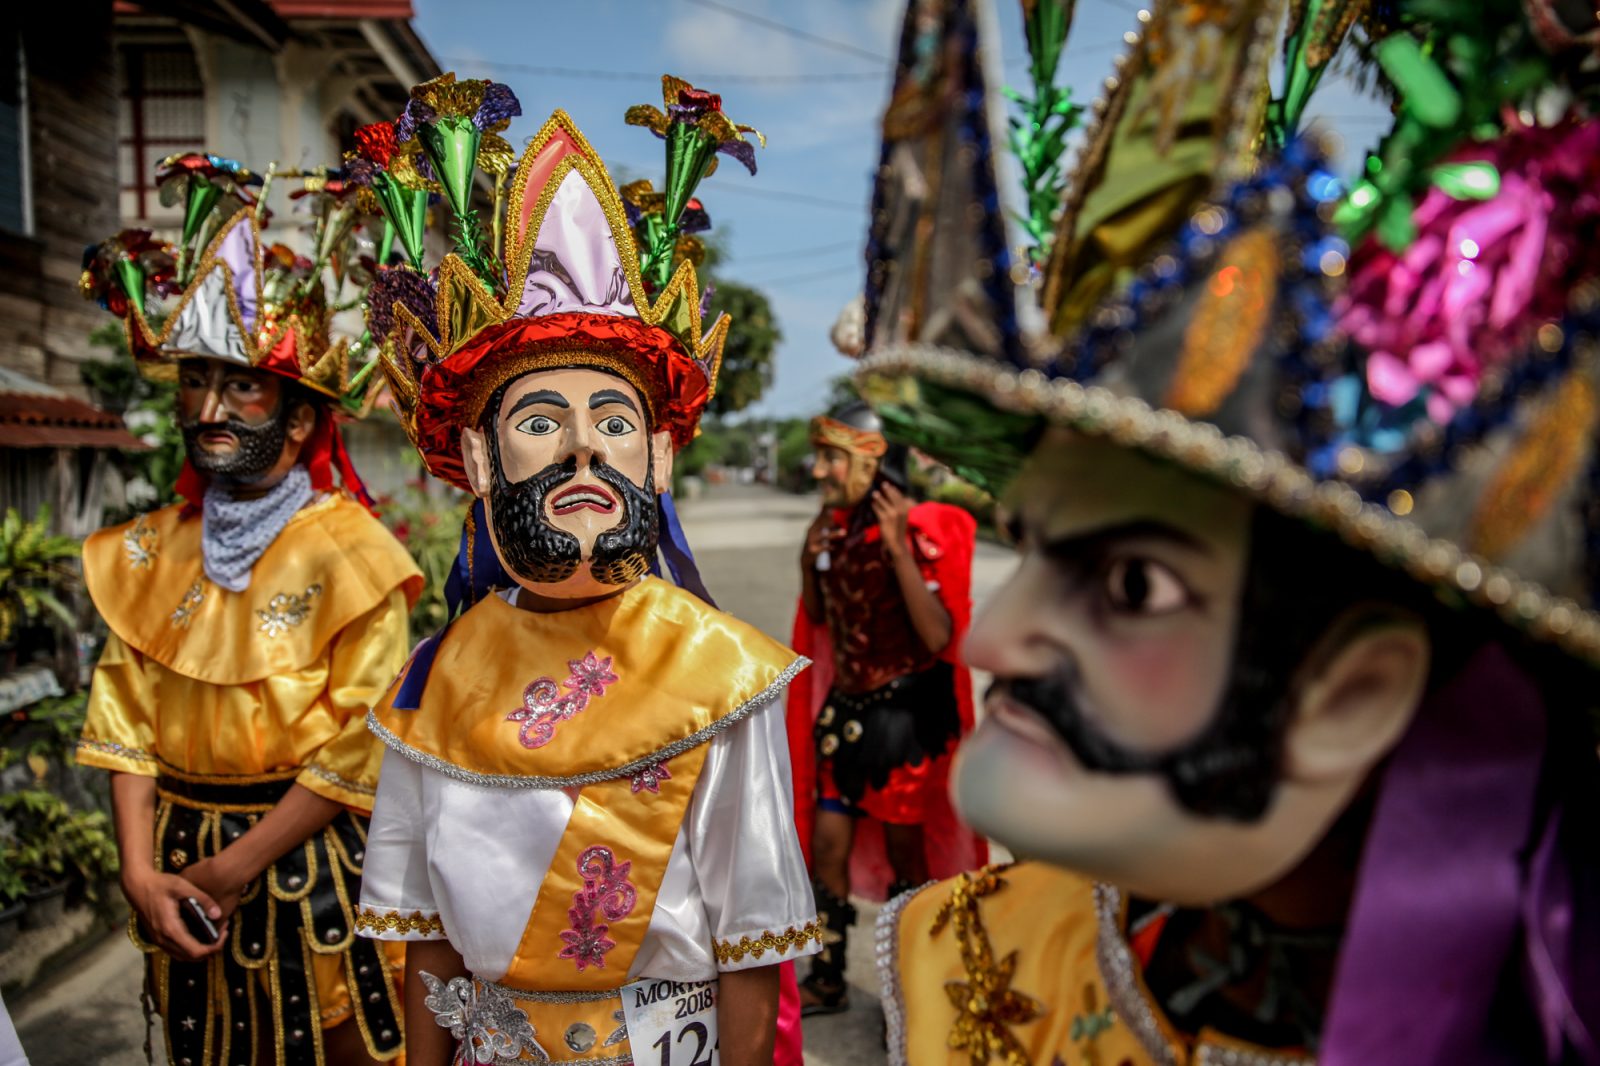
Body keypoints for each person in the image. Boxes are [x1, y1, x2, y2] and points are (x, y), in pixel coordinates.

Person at [858, 0, 1600, 1061]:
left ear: (1351, 694)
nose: (986, 642)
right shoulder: (975, 967)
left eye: (1130, 587)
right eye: (1034, 546)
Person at [352, 82, 820, 1066]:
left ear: (657, 457)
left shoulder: (721, 674)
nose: (581, 450)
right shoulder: (433, 682)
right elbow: (425, 937)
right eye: (538, 422)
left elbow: (750, 941)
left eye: (612, 421)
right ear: (481, 464)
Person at [76, 167, 421, 1065]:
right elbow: (121, 726)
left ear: (303, 420)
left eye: (242, 388)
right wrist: (140, 874)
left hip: (313, 875)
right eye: (195, 382)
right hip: (176, 861)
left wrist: (230, 869)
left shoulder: (354, 551)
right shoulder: (147, 551)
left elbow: (367, 739)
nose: (210, 410)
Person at [784, 400, 982, 1015]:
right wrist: (807, 562)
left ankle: (914, 996)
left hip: (904, 724)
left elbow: (936, 638)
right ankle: (829, 976)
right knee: (827, 848)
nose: (820, 473)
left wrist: (898, 549)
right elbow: (818, 622)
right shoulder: (834, 527)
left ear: (872, 460)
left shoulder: (923, 528)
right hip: (845, 716)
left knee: (907, 864)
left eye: (832, 459)